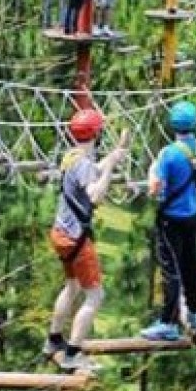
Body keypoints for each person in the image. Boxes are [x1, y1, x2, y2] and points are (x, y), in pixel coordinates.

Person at [45, 108, 130, 373]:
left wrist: (114, 154)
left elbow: (91, 170)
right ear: (97, 133)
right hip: (76, 237)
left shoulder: (72, 157)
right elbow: (94, 195)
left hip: (61, 232)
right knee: (95, 296)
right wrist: (112, 167)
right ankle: (72, 353)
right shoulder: (82, 163)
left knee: (72, 286)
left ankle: (53, 340)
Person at [143, 100, 196, 342]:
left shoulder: (168, 154)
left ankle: (168, 323)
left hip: (171, 219)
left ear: (173, 125)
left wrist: (152, 171)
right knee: (191, 266)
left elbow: (154, 190)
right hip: (192, 217)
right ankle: (194, 314)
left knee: (171, 271)